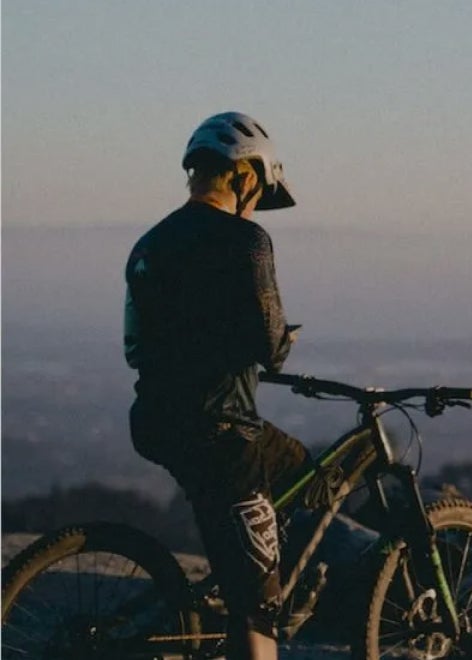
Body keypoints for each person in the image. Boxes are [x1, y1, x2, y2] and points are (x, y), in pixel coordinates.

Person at [124, 111, 309, 660]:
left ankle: (241, 573)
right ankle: (254, 604)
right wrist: (283, 341)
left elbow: (137, 345)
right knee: (261, 616)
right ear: (247, 176)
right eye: (260, 189)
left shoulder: (150, 244)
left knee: (297, 464)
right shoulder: (247, 240)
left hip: (156, 419)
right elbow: (270, 345)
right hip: (222, 429)